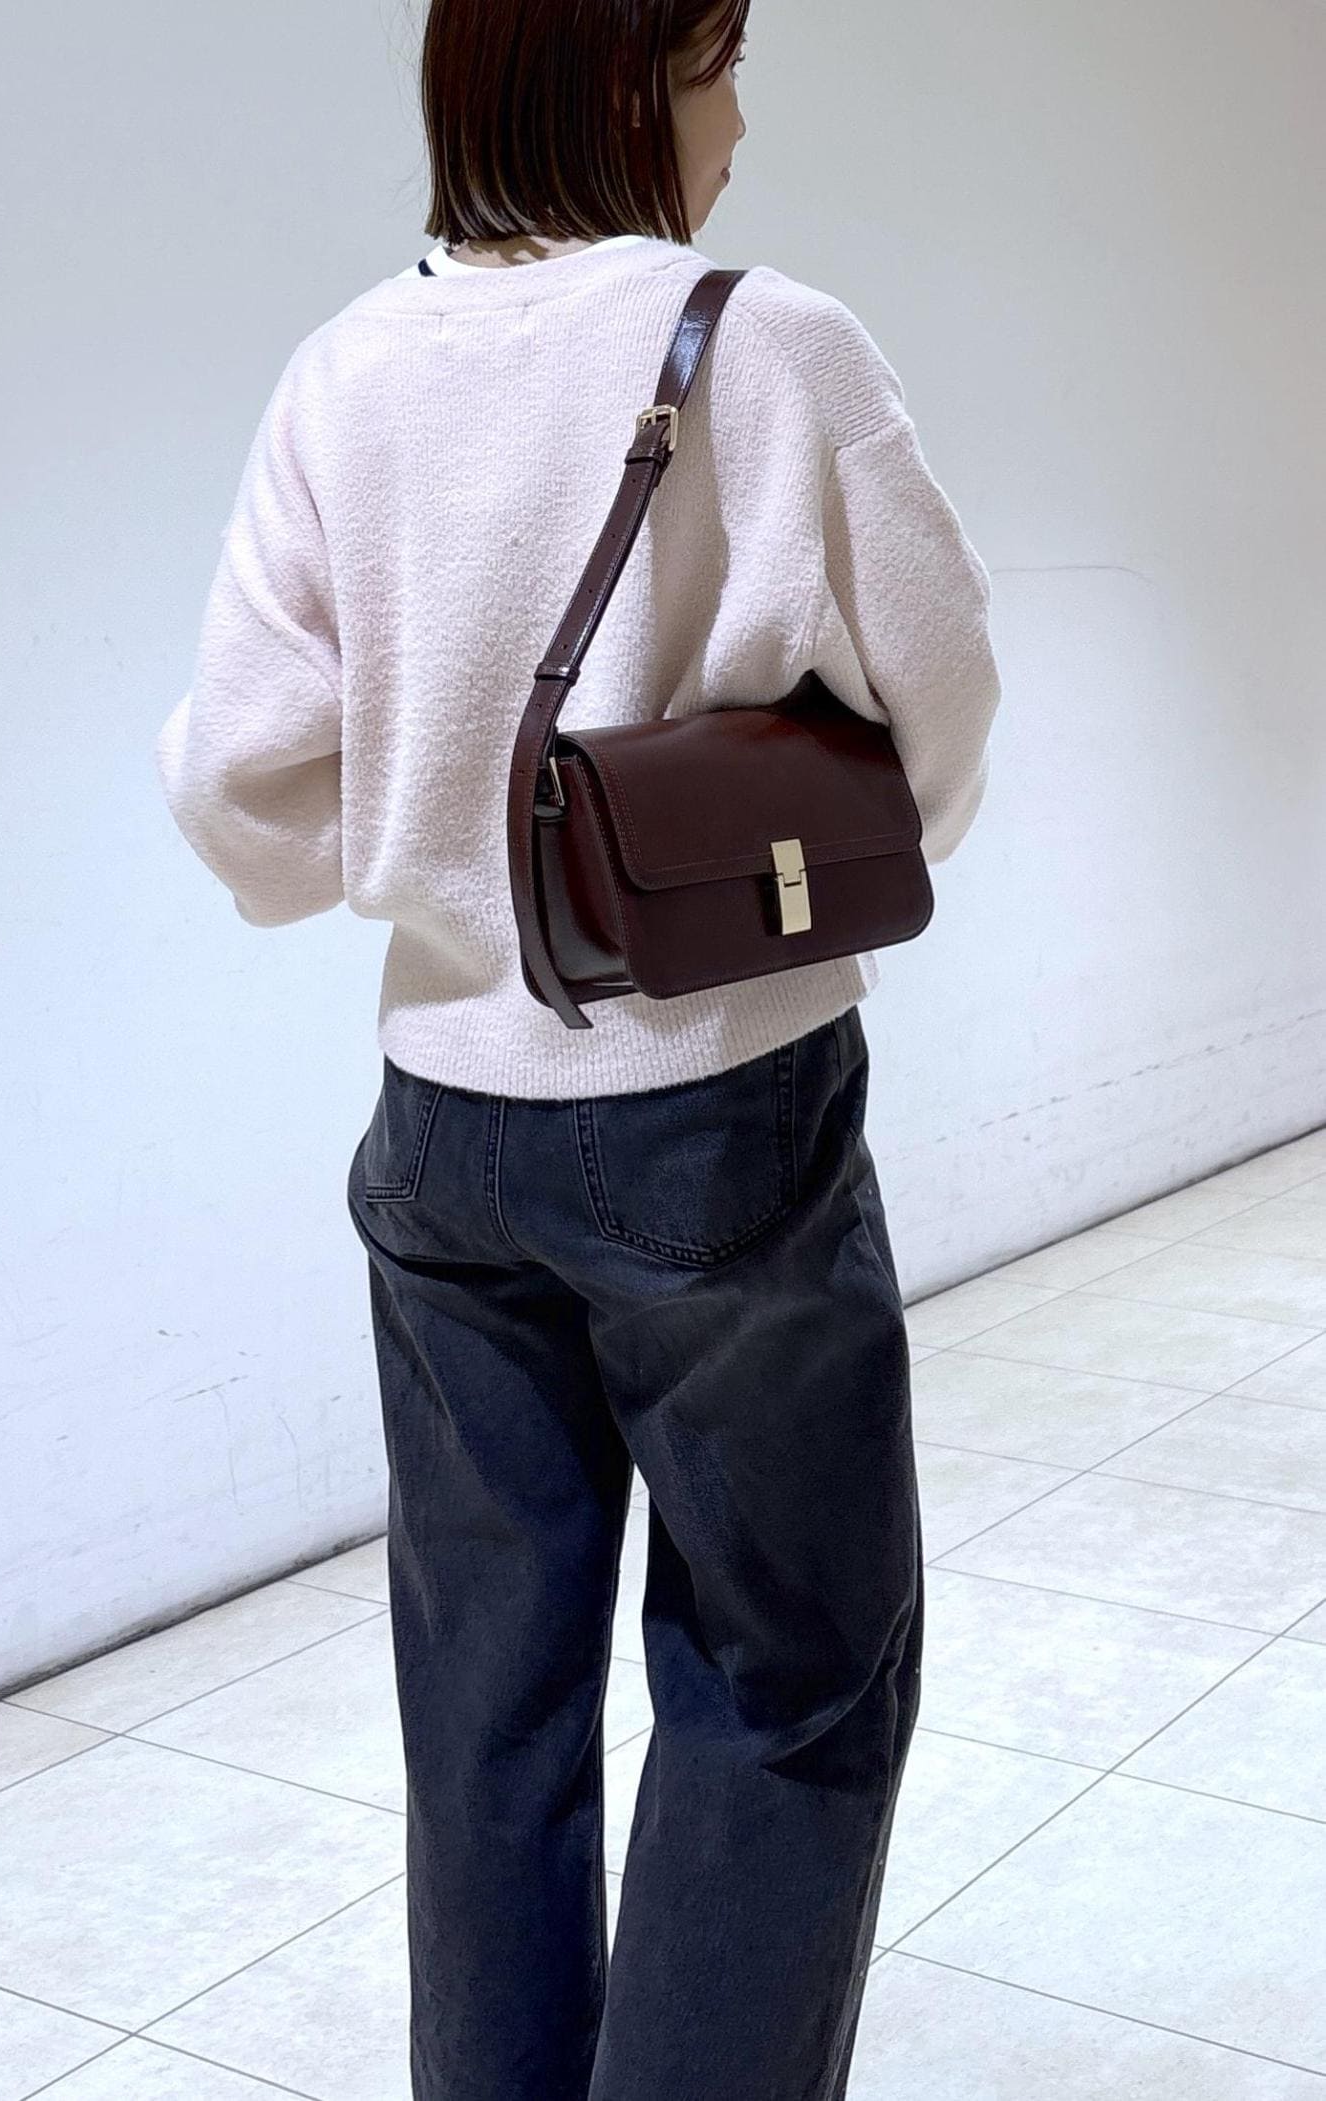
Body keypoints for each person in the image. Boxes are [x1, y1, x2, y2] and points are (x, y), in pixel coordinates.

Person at [155, 1, 1002, 2093]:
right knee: (790, 1678)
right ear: (630, 84)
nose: (744, 117)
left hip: (442, 1123)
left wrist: (428, 852)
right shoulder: (775, 346)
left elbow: (241, 784)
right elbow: (940, 720)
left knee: (486, 1706)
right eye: (722, 63)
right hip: (719, 1105)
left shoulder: (348, 370)